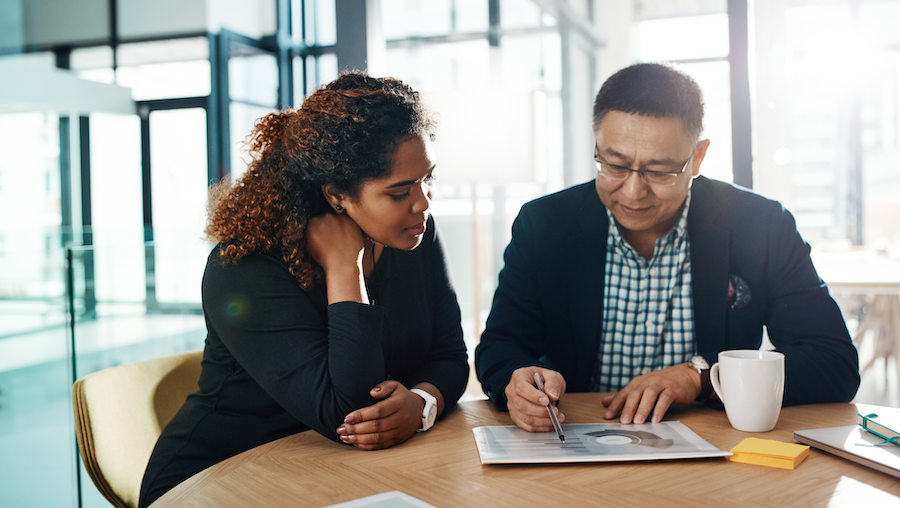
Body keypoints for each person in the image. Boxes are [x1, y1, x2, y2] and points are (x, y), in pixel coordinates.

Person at [139, 72, 468, 507]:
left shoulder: (412, 233)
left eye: (427, 179)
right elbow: (349, 413)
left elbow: (449, 354)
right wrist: (344, 266)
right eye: (400, 191)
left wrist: (421, 404)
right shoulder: (243, 268)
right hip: (222, 479)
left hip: (338, 474)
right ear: (338, 196)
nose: (423, 202)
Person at [475, 62, 859, 434]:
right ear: (597, 145)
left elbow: (834, 362)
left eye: (659, 171)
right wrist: (519, 381)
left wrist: (704, 376)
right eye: (615, 164)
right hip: (576, 441)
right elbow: (501, 346)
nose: (632, 191)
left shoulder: (760, 225)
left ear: (697, 158)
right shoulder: (544, 224)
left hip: (716, 451)